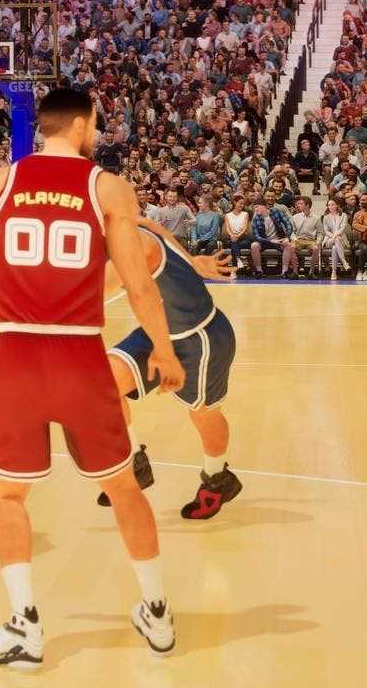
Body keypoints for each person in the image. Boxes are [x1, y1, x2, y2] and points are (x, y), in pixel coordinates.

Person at [0, 88, 181, 669]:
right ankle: (157, 612)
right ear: (83, 126)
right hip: (81, 355)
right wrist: (164, 350)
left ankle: (24, 626)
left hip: (17, 352)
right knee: (122, 487)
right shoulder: (106, 188)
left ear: (42, 128)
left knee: (8, 493)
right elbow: (139, 284)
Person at [100, 220, 242, 519]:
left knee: (203, 413)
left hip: (200, 338)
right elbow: (156, 226)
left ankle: (218, 478)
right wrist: (191, 260)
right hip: (159, 328)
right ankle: (135, 466)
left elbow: (93, 293)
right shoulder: (121, 223)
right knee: (103, 385)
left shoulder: (133, 243)